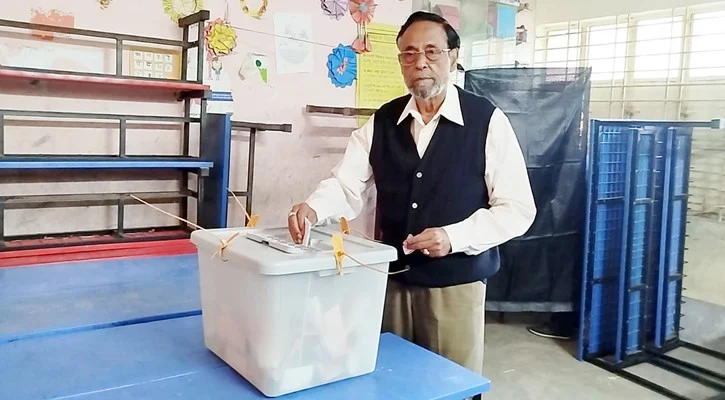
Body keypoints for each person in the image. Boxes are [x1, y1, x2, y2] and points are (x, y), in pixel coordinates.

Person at [287, 11, 536, 376]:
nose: (420, 62)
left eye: (432, 51)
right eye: (409, 53)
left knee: (448, 382)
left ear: (453, 56)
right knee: (392, 378)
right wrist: (313, 208)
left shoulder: (486, 121)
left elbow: (517, 208)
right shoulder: (383, 121)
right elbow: (346, 184)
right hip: (393, 280)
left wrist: (453, 237)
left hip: (455, 285)